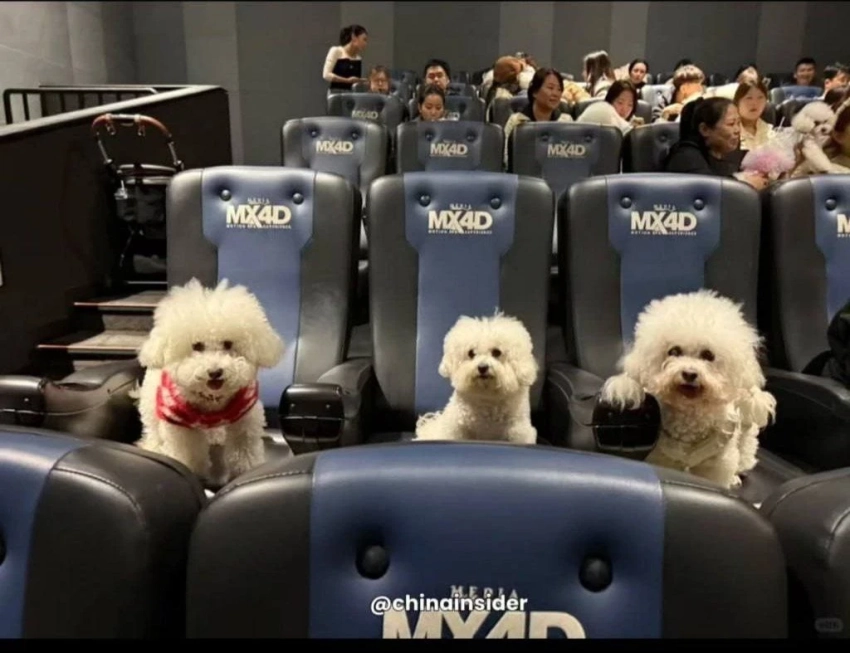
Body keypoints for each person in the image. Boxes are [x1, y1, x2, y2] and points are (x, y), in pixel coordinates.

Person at [663, 96, 768, 190]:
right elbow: (710, 191)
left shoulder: (727, 152)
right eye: (731, 124)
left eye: (738, 123)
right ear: (704, 129)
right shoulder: (685, 157)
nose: (737, 130)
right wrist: (744, 183)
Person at [503, 67, 573, 165]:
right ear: (535, 92)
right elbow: (505, 157)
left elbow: (571, 159)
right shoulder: (517, 121)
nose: (556, 94)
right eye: (550, 88)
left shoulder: (566, 121)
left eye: (559, 89)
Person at [577, 80, 642, 134]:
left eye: (630, 105)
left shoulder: (632, 122)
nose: (624, 109)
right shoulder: (602, 112)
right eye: (620, 103)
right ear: (611, 100)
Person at [322, 25, 368, 94]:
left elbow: (354, 81)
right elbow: (326, 75)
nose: (365, 44)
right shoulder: (336, 51)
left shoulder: (358, 58)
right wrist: (346, 80)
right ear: (354, 37)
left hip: (352, 95)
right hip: (336, 93)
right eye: (364, 39)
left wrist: (362, 81)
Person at [733, 78, 773, 150]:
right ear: (737, 102)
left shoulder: (769, 131)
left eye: (760, 97)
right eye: (749, 98)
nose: (755, 103)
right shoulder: (730, 131)